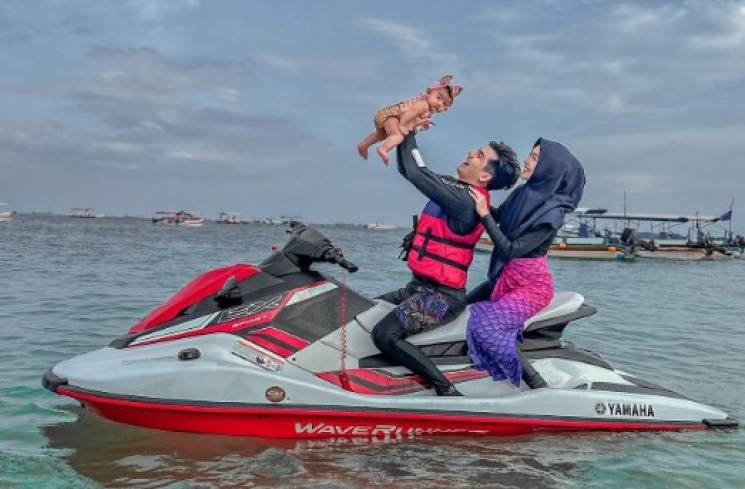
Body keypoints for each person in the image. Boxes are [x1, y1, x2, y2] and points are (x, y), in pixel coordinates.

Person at [372, 132, 520, 396]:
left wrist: (408, 129)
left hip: (441, 299)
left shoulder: (465, 201)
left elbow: (417, 173)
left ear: (485, 175)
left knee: (384, 334)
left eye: (479, 155)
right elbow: (410, 168)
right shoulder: (460, 191)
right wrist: (406, 132)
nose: (470, 154)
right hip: (417, 290)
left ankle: (446, 390)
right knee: (363, 310)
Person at [466, 138, 585, 389]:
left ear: (548, 169)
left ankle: (537, 384)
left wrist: (484, 214)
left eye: (534, 157)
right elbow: (501, 218)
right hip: (505, 279)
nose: (527, 160)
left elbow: (510, 249)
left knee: (488, 327)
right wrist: (476, 198)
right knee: (461, 306)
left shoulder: (551, 216)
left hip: (531, 289)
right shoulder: (524, 193)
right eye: (529, 155)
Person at [357, 75, 462, 165]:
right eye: (438, 98)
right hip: (392, 116)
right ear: (429, 92)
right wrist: (403, 125)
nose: (440, 104)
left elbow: (414, 121)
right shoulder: (423, 104)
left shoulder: (427, 110)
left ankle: (363, 145)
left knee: (381, 135)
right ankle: (383, 149)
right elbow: (409, 113)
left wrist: (420, 124)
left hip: (385, 116)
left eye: (444, 104)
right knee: (397, 136)